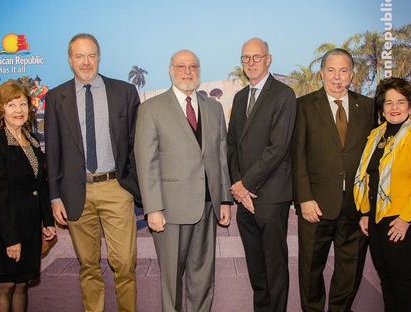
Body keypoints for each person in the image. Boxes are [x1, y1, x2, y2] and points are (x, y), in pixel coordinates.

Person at [44, 33, 141, 312]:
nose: (85, 62)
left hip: (115, 188)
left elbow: (136, 143)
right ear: (70, 60)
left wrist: (134, 184)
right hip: (76, 192)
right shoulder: (56, 98)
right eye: (79, 56)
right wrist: (54, 197)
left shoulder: (124, 92)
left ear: (99, 57)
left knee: (124, 262)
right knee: (88, 265)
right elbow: (52, 151)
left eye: (91, 55)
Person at [135, 49, 232, 312]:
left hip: (208, 207)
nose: (187, 71)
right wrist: (153, 208)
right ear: (170, 70)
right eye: (181, 66)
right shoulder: (150, 109)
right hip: (170, 211)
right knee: (172, 281)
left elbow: (221, 157)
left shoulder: (213, 108)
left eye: (193, 66)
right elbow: (147, 164)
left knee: (202, 278)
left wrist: (224, 200)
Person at [292, 48, 374, 312]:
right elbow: (297, 156)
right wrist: (304, 198)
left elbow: (374, 161)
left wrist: (368, 206)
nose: (337, 77)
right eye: (331, 70)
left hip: (355, 207)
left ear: (351, 75)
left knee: (349, 273)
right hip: (315, 206)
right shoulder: (303, 106)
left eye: (343, 71)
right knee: (310, 270)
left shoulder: (369, 108)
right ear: (321, 73)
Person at [354, 78, 411, 311]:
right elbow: (370, 176)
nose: (395, 108)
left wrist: (405, 219)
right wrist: (364, 212)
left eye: (401, 102)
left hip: (405, 219)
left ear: (410, 106)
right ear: (381, 108)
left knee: (403, 282)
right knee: (387, 279)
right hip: (378, 218)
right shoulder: (376, 136)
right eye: (388, 103)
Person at [227, 37, 296, 311]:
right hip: (244, 199)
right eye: (246, 58)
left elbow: (277, 148)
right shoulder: (240, 96)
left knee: (275, 268)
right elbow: (231, 144)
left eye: (257, 57)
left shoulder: (283, 95)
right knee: (257, 269)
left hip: (270, 195)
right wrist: (237, 185)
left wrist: (246, 184)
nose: (251, 63)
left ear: (269, 59)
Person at [0, 80, 56, 312]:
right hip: (7, 228)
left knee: (22, 285)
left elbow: (41, 186)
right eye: (11, 105)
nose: (18, 110)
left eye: (22, 104)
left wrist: (49, 222)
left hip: (30, 227)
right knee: (6, 286)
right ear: (0, 110)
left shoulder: (32, 142)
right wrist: (11, 239)